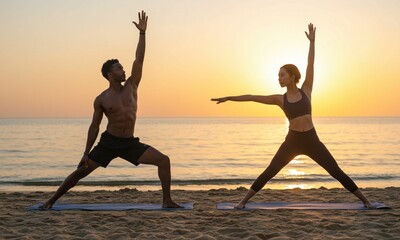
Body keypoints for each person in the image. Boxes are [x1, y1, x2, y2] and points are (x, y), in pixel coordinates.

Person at [211, 23, 373, 209]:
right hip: (293, 141)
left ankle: (366, 201)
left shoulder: (306, 90)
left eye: (282, 75)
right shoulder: (280, 99)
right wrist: (229, 98)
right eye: (278, 76)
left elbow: (310, 64)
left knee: (335, 171)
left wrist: (312, 42)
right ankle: (242, 203)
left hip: (312, 140)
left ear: (292, 76)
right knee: (270, 171)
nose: (279, 78)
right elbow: (252, 97)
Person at [40, 11, 181, 209]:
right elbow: (94, 126)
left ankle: (167, 200)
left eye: (123, 67)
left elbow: (139, 59)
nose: (123, 70)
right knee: (81, 173)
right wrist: (85, 152)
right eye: (119, 68)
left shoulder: (132, 85)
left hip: (130, 143)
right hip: (109, 143)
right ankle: (51, 201)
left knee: (163, 160)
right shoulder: (101, 99)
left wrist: (142, 34)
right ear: (109, 74)